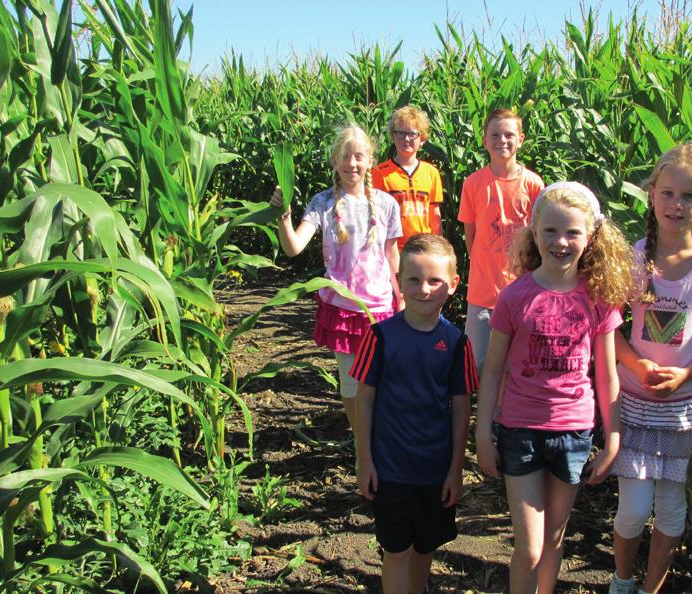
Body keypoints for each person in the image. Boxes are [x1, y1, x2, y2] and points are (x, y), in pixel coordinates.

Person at [475, 182, 634, 594]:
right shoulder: (515, 296)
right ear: (533, 232)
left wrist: (612, 437)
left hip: (573, 431)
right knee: (528, 548)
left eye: (572, 233)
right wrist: (482, 433)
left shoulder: (598, 298)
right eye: (550, 231)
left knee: (553, 541)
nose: (560, 242)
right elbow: (492, 371)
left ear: (590, 237)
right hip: (521, 430)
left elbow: (607, 374)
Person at [608, 143, 692, 594]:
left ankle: (650, 589)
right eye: (668, 193)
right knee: (632, 509)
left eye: (688, 196)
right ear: (651, 194)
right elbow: (608, 328)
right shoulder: (633, 258)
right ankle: (621, 582)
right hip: (636, 405)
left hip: (686, 409)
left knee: (671, 512)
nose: (676, 205)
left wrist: (686, 374)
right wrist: (637, 362)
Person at [352, 233, 479, 594]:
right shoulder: (380, 337)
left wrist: (456, 468)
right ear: (399, 280)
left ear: (453, 285)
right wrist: (364, 460)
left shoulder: (457, 344)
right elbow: (364, 400)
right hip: (390, 469)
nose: (424, 288)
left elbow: (460, 408)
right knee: (396, 551)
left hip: (435, 471)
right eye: (414, 279)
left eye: (435, 280)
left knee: (426, 546)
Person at [270, 124, 402, 434]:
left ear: (370, 160)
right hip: (342, 307)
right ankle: (361, 441)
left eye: (358, 156)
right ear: (334, 161)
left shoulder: (386, 204)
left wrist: (402, 295)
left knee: (381, 378)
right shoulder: (322, 203)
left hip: (380, 306)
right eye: (345, 156)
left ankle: (380, 436)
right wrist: (283, 217)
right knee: (351, 381)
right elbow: (293, 247)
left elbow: (392, 253)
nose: (351, 164)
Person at [457, 108, 544, 373]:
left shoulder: (533, 184)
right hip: (482, 293)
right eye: (495, 135)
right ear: (484, 141)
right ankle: (484, 414)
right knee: (478, 363)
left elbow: (538, 238)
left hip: (522, 291)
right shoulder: (473, 183)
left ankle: (506, 414)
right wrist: (483, 268)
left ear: (521, 139)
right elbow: (470, 235)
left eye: (509, 135)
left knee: (517, 364)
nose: (502, 141)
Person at [372, 106, 444, 252]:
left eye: (412, 134)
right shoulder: (379, 173)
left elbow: (434, 215)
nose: (406, 139)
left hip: (423, 248)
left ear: (422, 139)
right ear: (393, 136)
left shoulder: (431, 172)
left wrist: (438, 249)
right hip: (392, 249)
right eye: (401, 134)